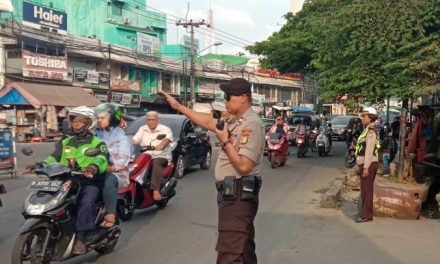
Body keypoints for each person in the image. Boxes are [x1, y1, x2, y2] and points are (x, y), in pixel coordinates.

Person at [162, 78, 264, 264]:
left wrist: (225, 141)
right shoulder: (234, 120)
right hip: (231, 193)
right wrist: (179, 107)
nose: (224, 100)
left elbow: (244, 166)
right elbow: (209, 122)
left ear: (243, 98)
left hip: (239, 196)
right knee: (243, 250)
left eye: (228, 96)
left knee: (230, 253)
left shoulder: (252, 124)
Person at [30, 106, 109, 254]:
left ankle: (81, 237)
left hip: (89, 181)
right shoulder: (66, 141)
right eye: (74, 120)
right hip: (66, 179)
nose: (76, 123)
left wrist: (93, 166)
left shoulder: (98, 143)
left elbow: (102, 158)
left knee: (86, 202)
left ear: (89, 123)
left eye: (80, 121)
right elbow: (54, 157)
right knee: (49, 198)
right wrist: (41, 164)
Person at [95, 103, 132, 228]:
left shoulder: (122, 138)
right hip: (95, 170)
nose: (99, 120)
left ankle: (111, 214)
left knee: (108, 180)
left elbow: (123, 161)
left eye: (102, 118)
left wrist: (109, 168)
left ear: (112, 118)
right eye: (98, 118)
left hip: (118, 174)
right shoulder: (96, 135)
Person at [131, 111, 173, 201]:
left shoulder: (165, 129)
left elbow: (167, 140)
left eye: (153, 120)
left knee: (156, 162)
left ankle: (156, 190)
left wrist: (161, 145)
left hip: (161, 155)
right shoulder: (142, 129)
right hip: (145, 156)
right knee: (133, 165)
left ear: (157, 120)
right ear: (146, 120)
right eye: (149, 120)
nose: (151, 122)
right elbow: (134, 140)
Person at [355, 107, 381, 223]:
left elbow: (369, 150)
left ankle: (366, 215)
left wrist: (365, 167)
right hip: (367, 163)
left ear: (370, 118)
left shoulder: (370, 131)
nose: (362, 118)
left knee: (366, 190)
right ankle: (366, 214)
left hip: (368, 164)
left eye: (364, 116)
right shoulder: (367, 129)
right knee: (366, 189)